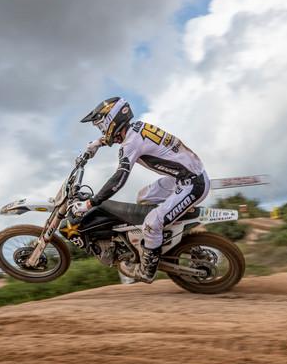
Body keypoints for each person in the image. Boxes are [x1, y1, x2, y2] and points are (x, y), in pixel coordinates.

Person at [71, 97, 210, 283]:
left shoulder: (131, 144)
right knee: (143, 197)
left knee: (151, 224)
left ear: (111, 121)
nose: (102, 131)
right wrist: (97, 143)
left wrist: (90, 203)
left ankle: (148, 269)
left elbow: (119, 179)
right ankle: (166, 236)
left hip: (193, 184)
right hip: (183, 177)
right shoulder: (135, 128)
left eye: (101, 126)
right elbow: (116, 137)